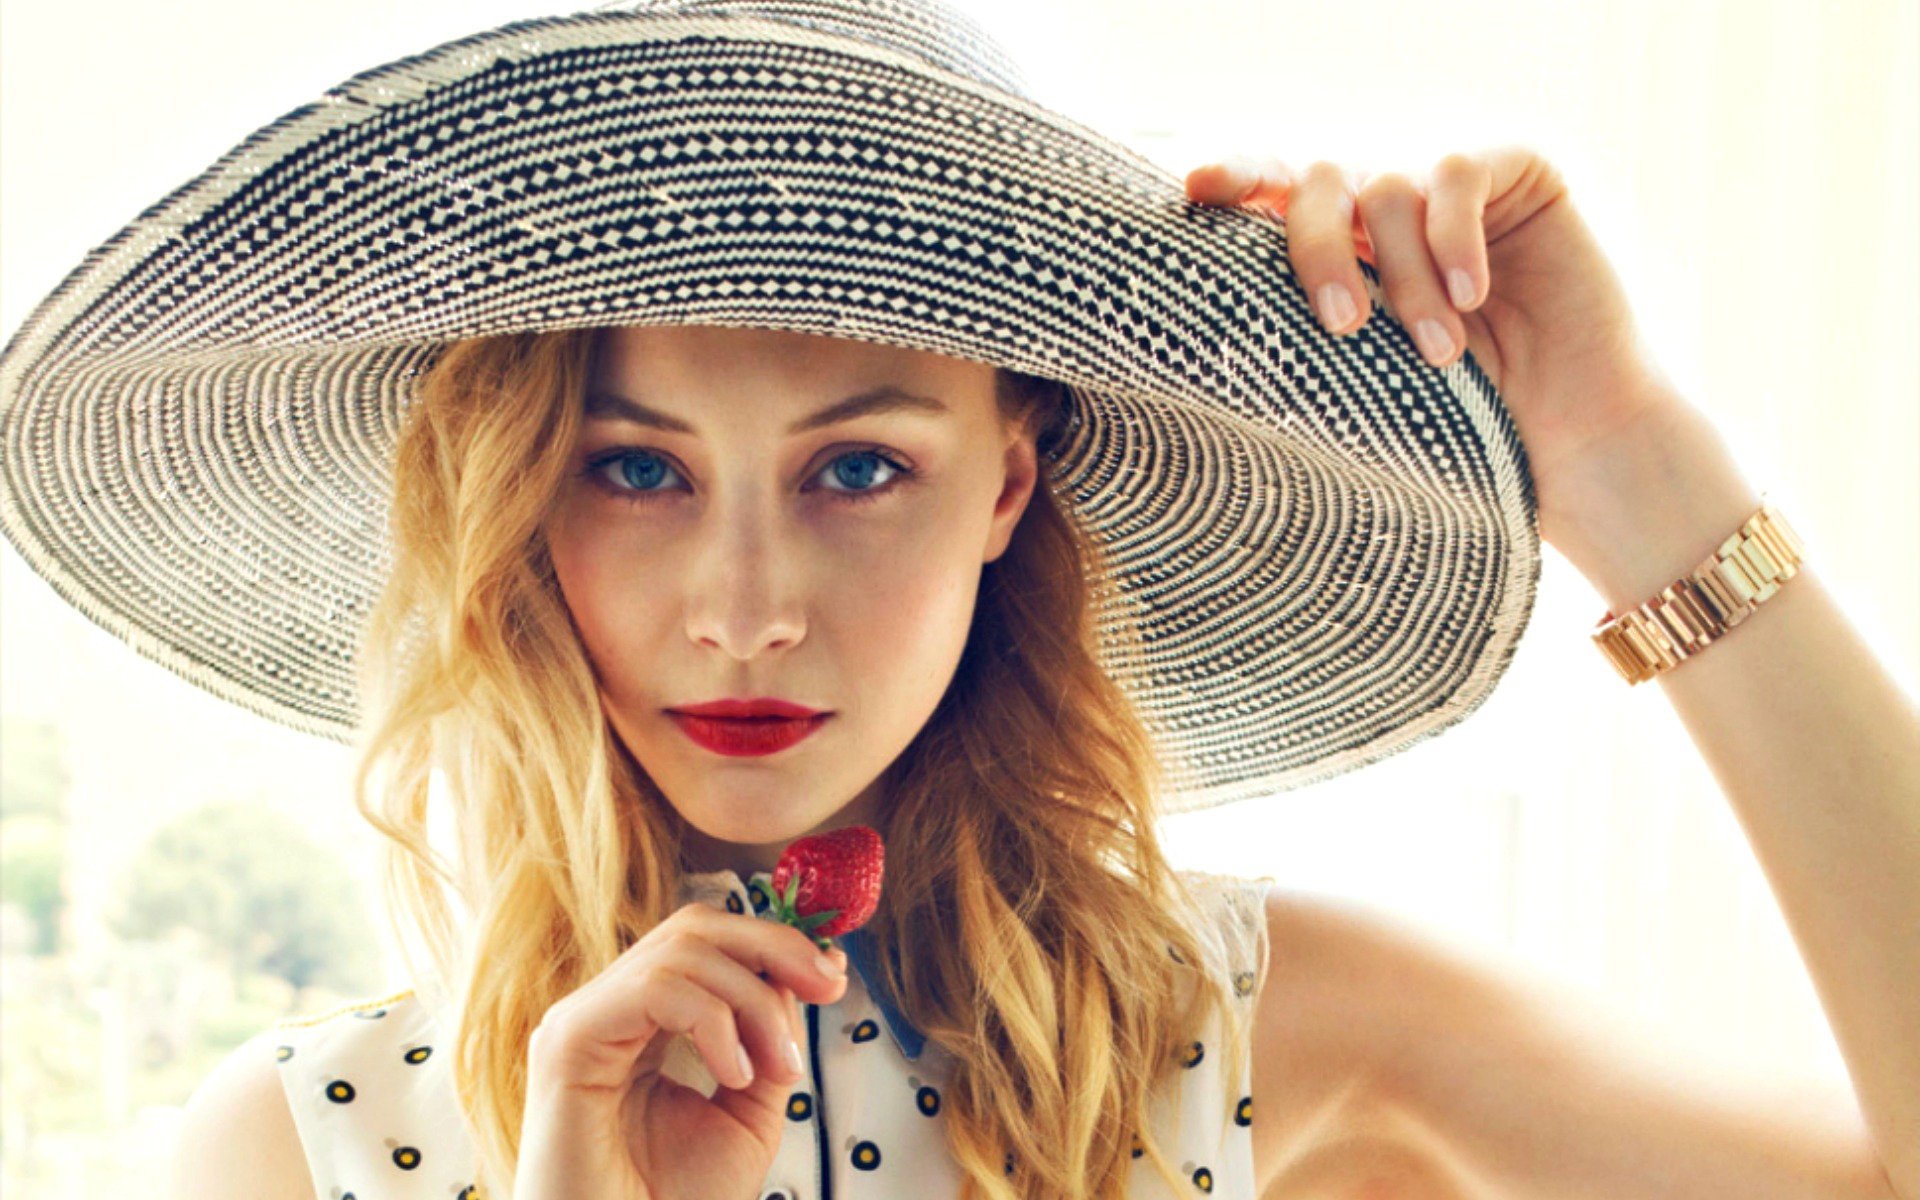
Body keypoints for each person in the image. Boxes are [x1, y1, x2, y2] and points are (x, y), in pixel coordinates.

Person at [0, 1, 1910, 1199]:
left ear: (1007, 484)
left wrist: (1637, 469)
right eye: (635, 466)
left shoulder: (1261, 1033)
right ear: (516, 507)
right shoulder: (304, 1146)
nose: (746, 610)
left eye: (858, 468)